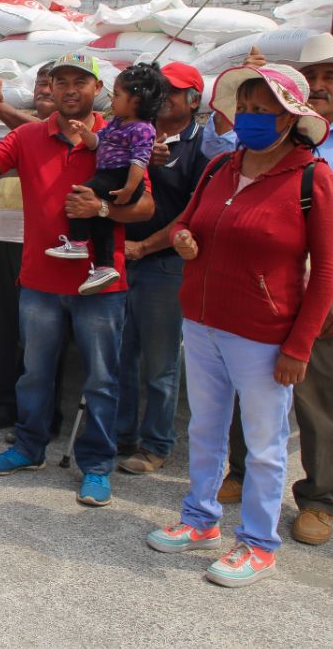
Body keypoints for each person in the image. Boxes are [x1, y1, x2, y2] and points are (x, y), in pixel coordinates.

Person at [146, 64, 333, 588]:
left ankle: (258, 542)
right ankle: (200, 520)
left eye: (266, 110)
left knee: (264, 442)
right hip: (204, 323)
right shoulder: (221, 168)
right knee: (206, 429)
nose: (252, 118)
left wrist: (299, 346)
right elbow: (188, 221)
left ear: (291, 117)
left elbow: (326, 271)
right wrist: (185, 238)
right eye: (248, 108)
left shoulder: (312, 178)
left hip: (264, 333)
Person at [210, 35, 333, 547]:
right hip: (263, 285)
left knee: (317, 398)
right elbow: (218, 155)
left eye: (330, 77)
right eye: (310, 77)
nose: (317, 86)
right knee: (253, 386)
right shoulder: (267, 140)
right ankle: (241, 472)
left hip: (325, 285)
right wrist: (242, 98)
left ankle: (318, 499)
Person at [0, 54, 155, 507]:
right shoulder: (29, 135)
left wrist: (103, 211)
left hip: (100, 284)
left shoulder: (117, 135)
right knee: (35, 372)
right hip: (40, 279)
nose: (70, 90)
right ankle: (29, 448)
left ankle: (95, 465)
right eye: (61, 82)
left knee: (101, 380)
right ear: (49, 88)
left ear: (99, 90)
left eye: (81, 82)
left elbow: (147, 208)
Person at [115, 62, 211, 475]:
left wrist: (146, 246)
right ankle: (119, 434)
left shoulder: (199, 149)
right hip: (121, 259)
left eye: (174, 91)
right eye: (159, 90)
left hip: (164, 266)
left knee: (159, 362)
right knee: (120, 355)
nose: (165, 97)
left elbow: (194, 213)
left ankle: (156, 443)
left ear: (194, 100)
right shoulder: (134, 133)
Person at [0, 63, 54, 430]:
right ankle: (5, 403)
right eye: (41, 83)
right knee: (1, 326)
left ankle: (42, 414)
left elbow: (40, 131)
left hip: (35, 243)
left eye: (54, 85)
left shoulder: (67, 132)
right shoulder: (17, 133)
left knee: (39, 333)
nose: (45, 90)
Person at [45, 65, 163, 295]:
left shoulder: (143, 129)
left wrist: (129, 188)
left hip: (119, 177)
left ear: (136, 101)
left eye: (117, 95)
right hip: (109, 176)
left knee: (80, 194)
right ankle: (105, 267)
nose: (112, 100)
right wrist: (84, 132)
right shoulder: (117, 124)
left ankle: (78, 242)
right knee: (101, 223)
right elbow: (96, 142)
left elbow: (140, 161)